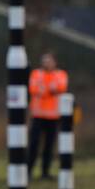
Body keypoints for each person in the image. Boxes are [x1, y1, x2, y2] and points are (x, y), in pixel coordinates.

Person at [28, 51, 69, 179]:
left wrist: (45, 89)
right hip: (38, 115)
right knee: (33, 144)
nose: (46, 63)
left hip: (53, 116)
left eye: (48, 60)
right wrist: (50, 90)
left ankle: (45, 173)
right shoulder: (36, 74)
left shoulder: (61, 74)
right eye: (44, 60)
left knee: (49, 146)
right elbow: (33, 89)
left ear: (54, 62)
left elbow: (61, 88)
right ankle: (28, 171)